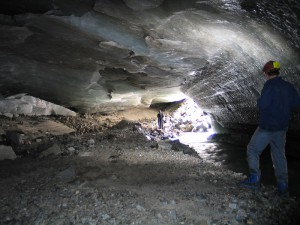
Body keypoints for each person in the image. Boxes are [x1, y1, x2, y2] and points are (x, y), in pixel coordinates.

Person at [239, 60, 300, 196]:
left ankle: (254, 179)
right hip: (282, 127)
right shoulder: (288, 86)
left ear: (267, 73)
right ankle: (282, 186)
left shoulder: (269, 85)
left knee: (253, 150)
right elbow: (296, 102)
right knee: (279, 155)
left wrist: (259, 101)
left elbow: (263, 105)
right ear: (277, 72)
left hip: (267, 127)